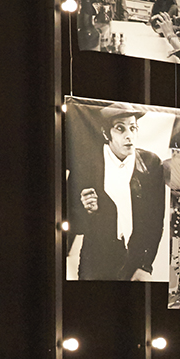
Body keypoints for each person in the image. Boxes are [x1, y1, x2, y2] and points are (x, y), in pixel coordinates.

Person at [71, 104, 167, 280]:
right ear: (106, 133)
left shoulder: (152, 164)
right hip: (96, 265)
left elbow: (155, 221)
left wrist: (145, 266)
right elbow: (72, 224)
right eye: (120, 128)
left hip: (135, 263)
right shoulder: (86, 164)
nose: (129, 135)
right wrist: (88, 211)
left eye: (133, 128)